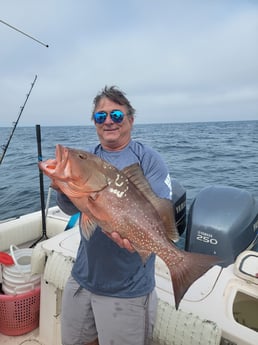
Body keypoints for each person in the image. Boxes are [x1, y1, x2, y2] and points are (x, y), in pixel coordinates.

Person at [57, 86, 173, 345]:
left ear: (130, 120)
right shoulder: (87, 157)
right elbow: (69, 208)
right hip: (83, 276)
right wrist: (64, 186)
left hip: (128, 288)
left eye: (116, 115)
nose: (108, 121)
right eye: (101, 116)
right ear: (95, 123)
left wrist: (141, 236)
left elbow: (159, 214)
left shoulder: (149, 160)